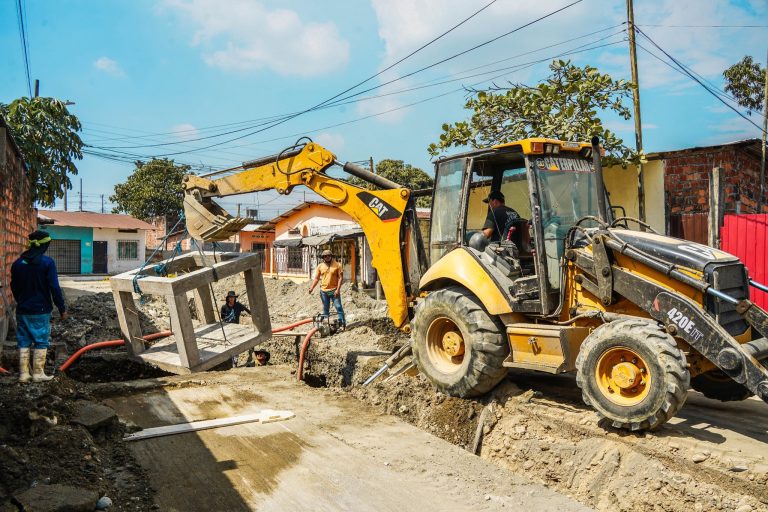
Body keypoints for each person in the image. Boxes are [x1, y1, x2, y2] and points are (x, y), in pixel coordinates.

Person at [10, 230, 68, 383]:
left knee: (23, 340)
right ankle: (38, 374)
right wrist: (62, 309)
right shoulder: (47, 263)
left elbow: (14, 287)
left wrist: (21, 301)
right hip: (41, 310)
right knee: (41, 340)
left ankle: (24, 375)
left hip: (22, 310)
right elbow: (54, 288)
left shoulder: (17, 264)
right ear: (44, 246)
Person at [308, 249, 346, 330]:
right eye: (325, 256)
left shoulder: (337, 265)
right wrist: (311, 288)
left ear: (331, 256)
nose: (327, 257)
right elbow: (317, 278)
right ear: (323, 258)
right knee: (325, 308)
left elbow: (340, 278)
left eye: (329, 255)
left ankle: (342, 323)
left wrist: (338, 289)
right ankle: (326, 325)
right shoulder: (320, 266)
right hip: (324, 291)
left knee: (338, 307)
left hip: (334, 290)